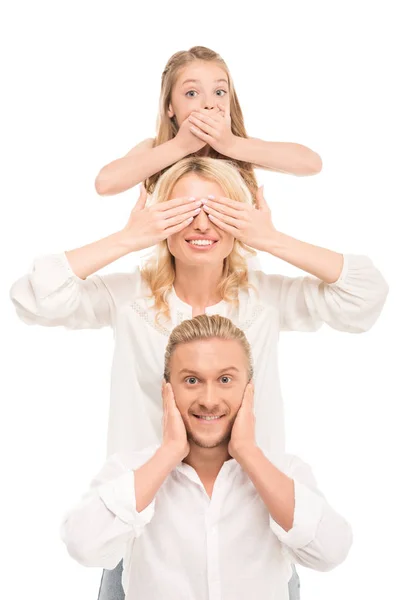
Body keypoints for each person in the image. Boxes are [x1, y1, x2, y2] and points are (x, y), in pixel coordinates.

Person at [10, 157, 388, 599]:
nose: (201, 225)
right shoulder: (129, 297)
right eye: (184, 211)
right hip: (142, 531)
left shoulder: (264, 299)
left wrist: (270, 239)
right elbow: (32, 297)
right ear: (161, 219)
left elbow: (366, 295)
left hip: (251, 528)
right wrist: (130, 238)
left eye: (219, 210)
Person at [61, 314, 353, 600]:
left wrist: (248, 452)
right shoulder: (129, 471)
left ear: (248, 390)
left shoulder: (285, 471)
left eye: (225, 379)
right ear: (168, 390)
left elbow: (331, 551)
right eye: (191, 381)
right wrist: (170, 452)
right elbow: (83, 545)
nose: (209, 399)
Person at [94, 46, 322, 199]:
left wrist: (231, 145)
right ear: (169, 106)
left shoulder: (240, 148)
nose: (209, 104)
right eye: (192, 93)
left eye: (220, 92)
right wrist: (180, 146)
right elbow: (105, 184)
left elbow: (311, 164)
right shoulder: (154, 148)